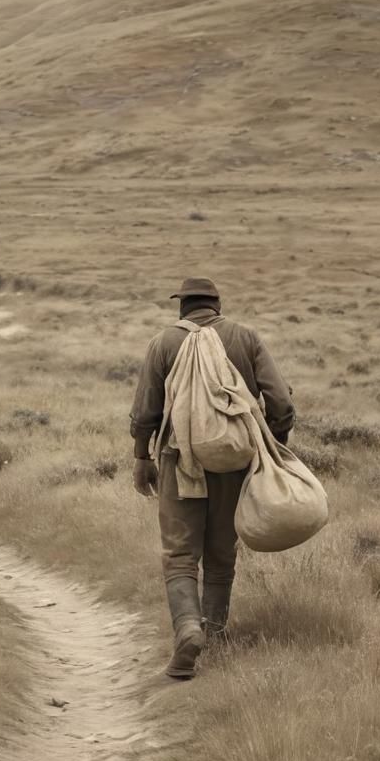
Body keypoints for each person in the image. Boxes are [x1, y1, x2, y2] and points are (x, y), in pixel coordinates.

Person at [130, 277, 295, 679]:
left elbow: (145, 409)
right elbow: (282, 403)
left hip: (178, 460)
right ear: (217, 304)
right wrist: (271, 446)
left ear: (181, 307)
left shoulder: (164, 343)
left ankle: (187, 629)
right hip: (234, 462)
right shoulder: (246, 337)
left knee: (180, 555)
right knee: (222, 556)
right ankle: (215, 638)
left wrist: (141, 457)